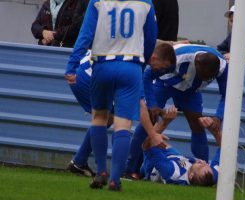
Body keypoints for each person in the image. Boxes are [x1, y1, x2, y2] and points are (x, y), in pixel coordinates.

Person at [65, 0, 161, 191]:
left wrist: (72, 65)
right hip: (130, 66)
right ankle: (116, 178)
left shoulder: (97, 0)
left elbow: (84, 37)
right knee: (123, 124)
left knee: (98, 117)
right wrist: (142, 63)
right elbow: (150, 39)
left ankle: (101, 170)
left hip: (102, 64)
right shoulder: (145, 3)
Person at [66, 43, 176, 178]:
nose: (161, 72)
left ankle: (80, 162)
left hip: (85, 70)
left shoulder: (140, 49)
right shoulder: (136, 64)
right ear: (154, 58)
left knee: (108, 119)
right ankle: (115, 173)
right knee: (120, 120)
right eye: (162, 68)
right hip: (87, 77)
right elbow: (140, 104)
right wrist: (153, 135)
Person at [126, 43, 227, 178]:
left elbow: (227, 94)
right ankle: (130, 170)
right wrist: (152, 104)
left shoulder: (222, 67)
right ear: (196, 63)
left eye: (210, 78)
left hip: (191, 90)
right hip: (165, 83)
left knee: (198, 124)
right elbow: (147, 76)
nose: (206, 80)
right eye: (203, 76)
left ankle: (203, 172)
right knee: (149, 119)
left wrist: (218, 117)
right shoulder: (178, 58)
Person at [141, 106, 220, 187]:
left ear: (191, 176)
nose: (202, 161)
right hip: (176, 158)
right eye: (206, 164)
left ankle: (133, 170)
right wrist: (215, 132)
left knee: (154, 137)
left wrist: (165, 122)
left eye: (200, 165)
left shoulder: (172, 171)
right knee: (160, 141)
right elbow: (224, 150)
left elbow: (146, 145)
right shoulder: (211, 175)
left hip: (154, 165)